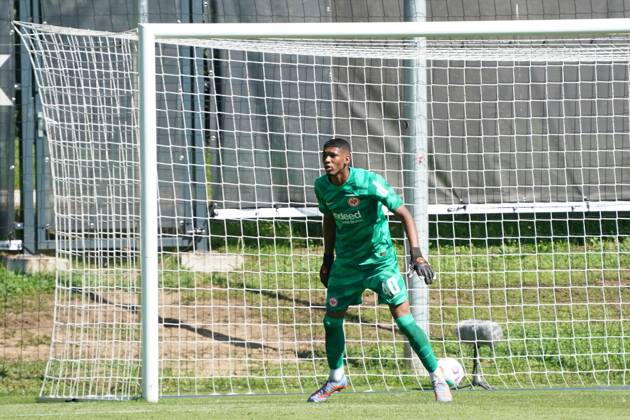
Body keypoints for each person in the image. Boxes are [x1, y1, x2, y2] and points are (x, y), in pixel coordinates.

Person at [307, 137, 452, 403]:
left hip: (380, 263)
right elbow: (329, 219)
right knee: (331, 320)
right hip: (347, 264)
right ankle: (336, 377)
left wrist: (417, 255)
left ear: (346, 159)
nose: (327, 160)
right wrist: (327, 259)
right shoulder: (322, 187)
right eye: (324, 155)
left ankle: (437, 376)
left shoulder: (368, 182)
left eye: (332, 155)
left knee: (405, 321)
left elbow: (405, 214)